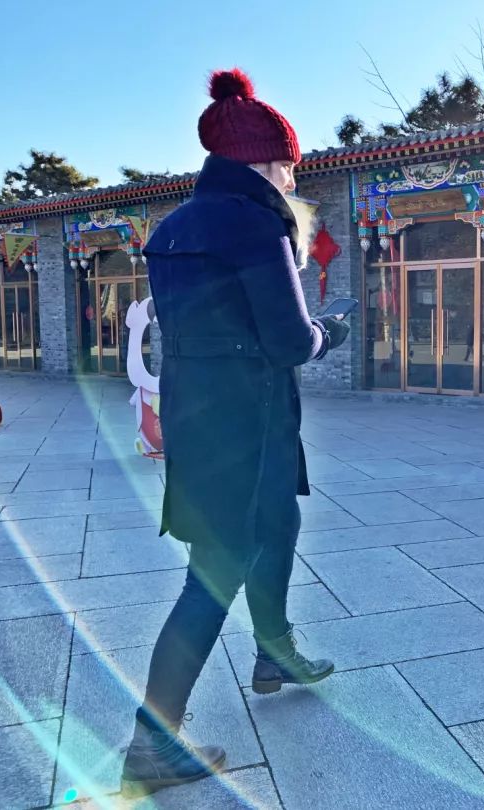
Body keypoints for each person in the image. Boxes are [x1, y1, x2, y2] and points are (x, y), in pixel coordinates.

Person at [119, 68, 350, 798]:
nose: (292, 177)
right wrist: (332, 330)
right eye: (288, 165)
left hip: (202, 420)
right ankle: (152, 744)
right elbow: (289, 341)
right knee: (213, 575)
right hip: (251, 421)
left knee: (278, 524)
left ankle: (274, 652)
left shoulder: (174, 227)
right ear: (262, 162)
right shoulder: (255, 223)